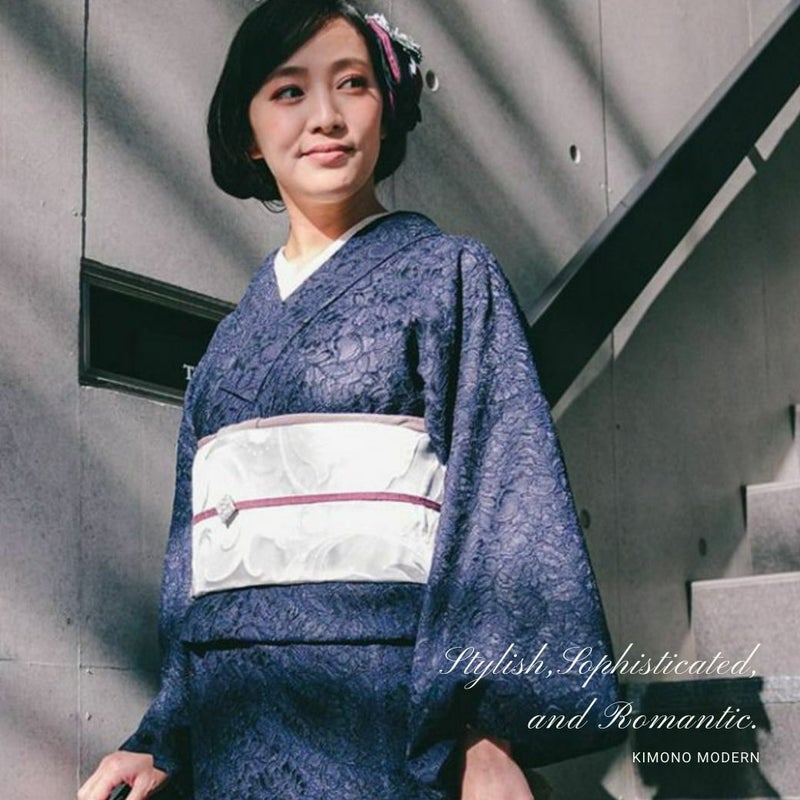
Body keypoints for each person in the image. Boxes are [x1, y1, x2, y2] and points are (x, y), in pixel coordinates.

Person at [79, 1, 621, 798]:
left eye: (353, 84)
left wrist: (488, 732)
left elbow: (507, 500)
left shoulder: (449, 277)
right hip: (238, 730)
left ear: (387, 108)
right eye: (289, 91)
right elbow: (194, 569)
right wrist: (161, 740)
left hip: (391, 720)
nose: (326, 117)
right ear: (247, 133)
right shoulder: (230, 342)